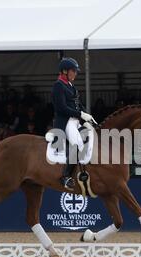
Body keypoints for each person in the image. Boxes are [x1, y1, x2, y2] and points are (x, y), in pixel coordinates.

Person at [51, 57, 96, 190]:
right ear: (64, 71)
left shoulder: (70, 85)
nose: (75, 73)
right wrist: (81, 115)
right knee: (77, 144)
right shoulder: (58, 86)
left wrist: (88, 118)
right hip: (66, 122)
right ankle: (65, 177)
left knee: (91, 136)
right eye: (73, 71)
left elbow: (78, 105)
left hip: (75, 121)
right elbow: (62, 108)